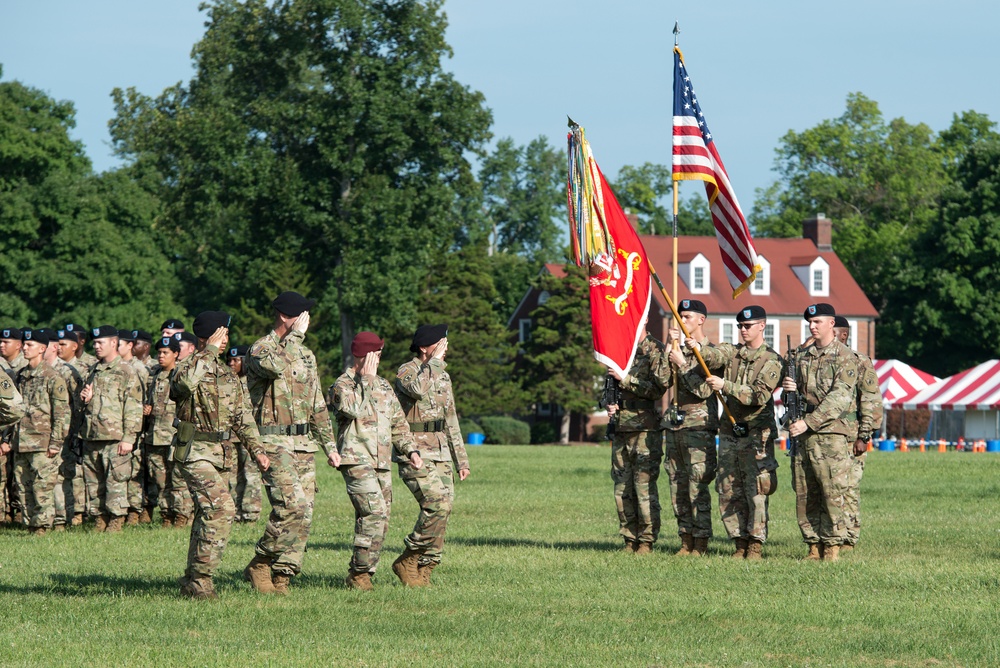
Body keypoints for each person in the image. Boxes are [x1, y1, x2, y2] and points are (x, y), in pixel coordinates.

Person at [170, 311, 271, 600]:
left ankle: (191, 579)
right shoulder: (188, 365)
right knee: (222, 509)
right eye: (221, 334)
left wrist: (258, 451)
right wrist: (209, 350)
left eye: (226, 335)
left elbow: (242, 417)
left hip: (221, 454)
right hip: (194, 452)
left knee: (206, 514)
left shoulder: (227, 374)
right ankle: (202, 580)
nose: (226, 340)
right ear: (208, 336)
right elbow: (183, 386)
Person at [244, 292, 339, 596]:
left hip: (303, 443)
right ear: (287, 317)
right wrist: (295, 336)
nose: (306, 320)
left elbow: (317, 404)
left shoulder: (306, 355)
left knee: (306, 514)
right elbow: (272, 366)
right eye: (302, 315)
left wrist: (330, 446)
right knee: (291, 506)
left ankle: (282, 575)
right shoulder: (261, 349)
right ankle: (261, 562)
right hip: (273, 441)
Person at [682, 306, 782, 559]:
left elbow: (759, 395)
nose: (743, 330)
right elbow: (714, 356)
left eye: (748, 326)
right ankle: (739, 542)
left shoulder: (772, 359)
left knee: (756, 490)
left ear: (762, 326)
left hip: (757, 433)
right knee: (728, 489)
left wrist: (725, 385)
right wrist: (697, 347)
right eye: (740, 326)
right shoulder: (732, 351)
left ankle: (756, 544)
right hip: (730, 431)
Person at [328, 331, 423, 591]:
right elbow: (352, 409)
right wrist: (366, 380)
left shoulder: (383, 385)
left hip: (381, 463)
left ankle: (366, 570)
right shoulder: (342, 385)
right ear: (365, 355)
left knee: (382, 518)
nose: (379, 360)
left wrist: (411, 451)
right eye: (377, 355)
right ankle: (358, 574)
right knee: (373, 512)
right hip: (356, 460)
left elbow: (398, 426)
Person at [392, 324, 471, 586]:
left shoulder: (444, 376)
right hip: (414, 450)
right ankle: (410, 556)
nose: (445, 348)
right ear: (425, 347)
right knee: (436, 504)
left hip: (441, 452)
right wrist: (434, 363)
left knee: (444, 510)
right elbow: (417, 390)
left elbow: (451, 419)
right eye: (441, 343)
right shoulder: (407, 370)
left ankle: (426, 569)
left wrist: (461, 459)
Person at [782, 303, 860, 562]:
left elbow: (840, 397)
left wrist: (810, 422)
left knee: (832, 490)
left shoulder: (845, 356)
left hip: (830, 433)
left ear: (831, 324)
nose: (812, 326)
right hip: (803, 432)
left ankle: (833, 546)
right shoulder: (803, 357)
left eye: (817, 322)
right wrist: (788, 389)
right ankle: (813, 545)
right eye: (810, 323)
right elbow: (794, 396)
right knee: (805, 491)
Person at [657, 299, 719, 557]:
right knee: (677, 485)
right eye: (679, 316)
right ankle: (685, 539)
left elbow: (704, 389)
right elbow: (661, 381)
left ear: (701, 320)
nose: (682, 321)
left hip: (699, 428)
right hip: (675, 426)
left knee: (697, 486)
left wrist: (683, 363)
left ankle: (701, 541)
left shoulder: (712, 353)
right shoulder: (676, 348)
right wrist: (668, 350)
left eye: (687, 317)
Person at [606, 322, 667, 555]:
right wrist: (611, 404)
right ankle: (629, 538)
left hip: (645, 428)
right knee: (622, 487)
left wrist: (625, 379)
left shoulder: (655, 349)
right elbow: (613, 386)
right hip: (621, 425)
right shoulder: (620, 349)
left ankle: (646, 541)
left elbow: (658, 388)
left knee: (643, 487)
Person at [79, 325, 143, 533]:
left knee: (115, 480)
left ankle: (116, 519)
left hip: (115, 437)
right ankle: (99, 518)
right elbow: (86, 405)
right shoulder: (93, 371)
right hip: (92, 435)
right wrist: (85, 400)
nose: (96, 346)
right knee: (94, 481)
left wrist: (129, 438)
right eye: (95, 343)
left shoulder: (126, 371)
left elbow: (133, 407)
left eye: (100, 342)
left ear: (114, 343)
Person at [8, 329, 70, 535]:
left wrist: (56, 443)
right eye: (24, 345)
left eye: (30, 345)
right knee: (23, 487)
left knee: (42, 487)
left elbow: (61, 414)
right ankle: (30, 525)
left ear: (42, 349)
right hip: (21, 441)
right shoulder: (21, 376)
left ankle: (42, 527)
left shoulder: (53, 377)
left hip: (42, 443)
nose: (25, 348)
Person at [833, 315, 882, 552]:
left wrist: (864, 436)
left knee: (849, 487)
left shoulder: (860, 362)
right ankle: (832, 534)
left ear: (843, 335)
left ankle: (849, 538)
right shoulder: (822, 361)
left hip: (853, 436)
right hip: (830, 436)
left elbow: (871, 401)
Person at [144, 336, 191, 527]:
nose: (161, 356)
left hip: (174, 434)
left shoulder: (181, 375)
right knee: (160, 478)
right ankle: (166, 513)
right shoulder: (154, 375)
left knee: (178, 478)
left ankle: (182, 513)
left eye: (166, 353)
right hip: (155, 435)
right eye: (159, 353)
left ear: (176, 354)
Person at [44, 329, 85, 530]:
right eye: (57, 344)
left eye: (62, 344)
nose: (59, 348)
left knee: (64, 476)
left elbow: (77, 406)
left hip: (65, 433)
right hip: (42, 433)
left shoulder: (68, 371)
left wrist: (74, 434)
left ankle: (67, 516)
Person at [118, 329, 151, 525]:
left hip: (137, 426)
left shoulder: (138, 369)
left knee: (135, 470)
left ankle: (135, 510)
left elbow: (145, 400)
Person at [226, 345, 261, 523]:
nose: (232, 364)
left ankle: (250, 512)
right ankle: (232, 511)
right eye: (230, 360)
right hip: (230, 435)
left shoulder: (252, 381)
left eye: (236, 360)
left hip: (248, 434)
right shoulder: (226, 381)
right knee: (232, 475)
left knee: (250, 474)